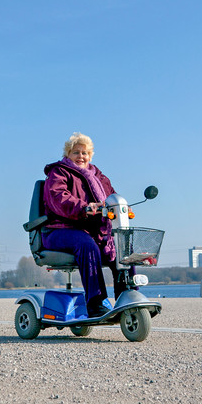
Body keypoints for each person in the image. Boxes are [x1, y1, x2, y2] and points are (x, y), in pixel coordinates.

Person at [40, 133, 124, 317]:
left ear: (90, 156)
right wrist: (85, 208)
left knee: (122, 246)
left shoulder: (98, 176)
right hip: (59, 229)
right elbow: (58, 198)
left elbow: (112, 196)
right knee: (87, 245)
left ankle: (127, 298)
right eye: (76, 152)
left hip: (92, 230)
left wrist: (121, 207)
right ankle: (96, 302)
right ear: (68, 154)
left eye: (85, 153)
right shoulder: (59, 172)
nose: (81, 156)